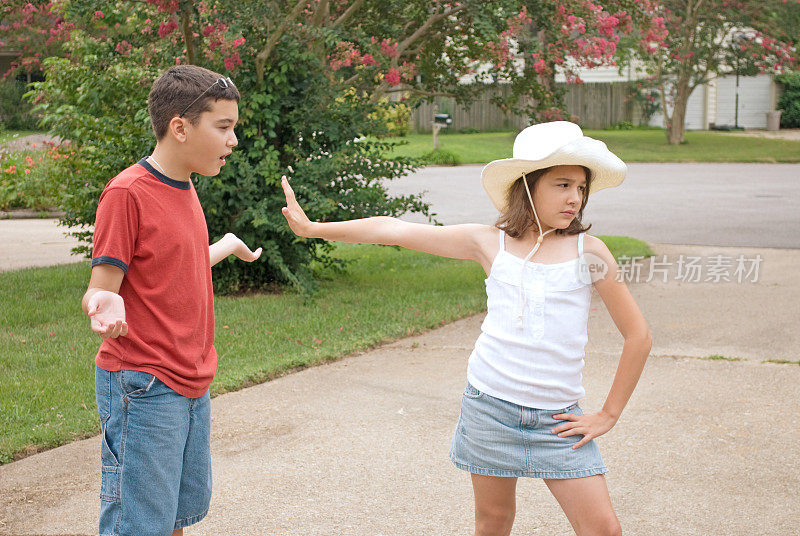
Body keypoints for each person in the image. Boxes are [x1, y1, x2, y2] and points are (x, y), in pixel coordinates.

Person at [280, 121, 652, 536]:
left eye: (581, 188)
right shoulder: (489, 242)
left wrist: (609, 414)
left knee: (604, 529)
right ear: (528, 187)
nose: (575, 198)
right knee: (493, 522)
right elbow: (396, 230)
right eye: (563, 185)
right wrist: (314, 229)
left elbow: (638, 336)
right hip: (490, 408)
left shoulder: (591, 253)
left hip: (558, 419)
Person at [81, 65, 262, 536]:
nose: (233, 140)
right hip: (144, 384)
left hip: (190, 380)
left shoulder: (182, 186)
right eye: (223, 127)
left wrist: (225, 244)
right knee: (139, 524)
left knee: (175, 517)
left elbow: (173, 265)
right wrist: (106, 303)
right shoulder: (127, 194)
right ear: (179, 127)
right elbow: (101, 288)